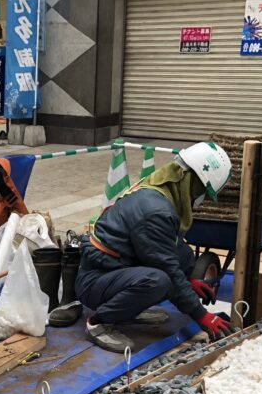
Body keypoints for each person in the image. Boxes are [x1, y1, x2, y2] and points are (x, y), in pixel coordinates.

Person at [76, 142, 234, 353]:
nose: (203, 199)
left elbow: (169, 251)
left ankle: (128, 309)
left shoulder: (162, 189)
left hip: (116, 270)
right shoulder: (155, 212)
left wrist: (188, 280)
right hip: (95, 280)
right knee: (159, 281)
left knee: (183, 259)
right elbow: (166, 267)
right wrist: (200, 315)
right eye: (204, 192)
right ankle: (98, 322)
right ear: (193, 182)